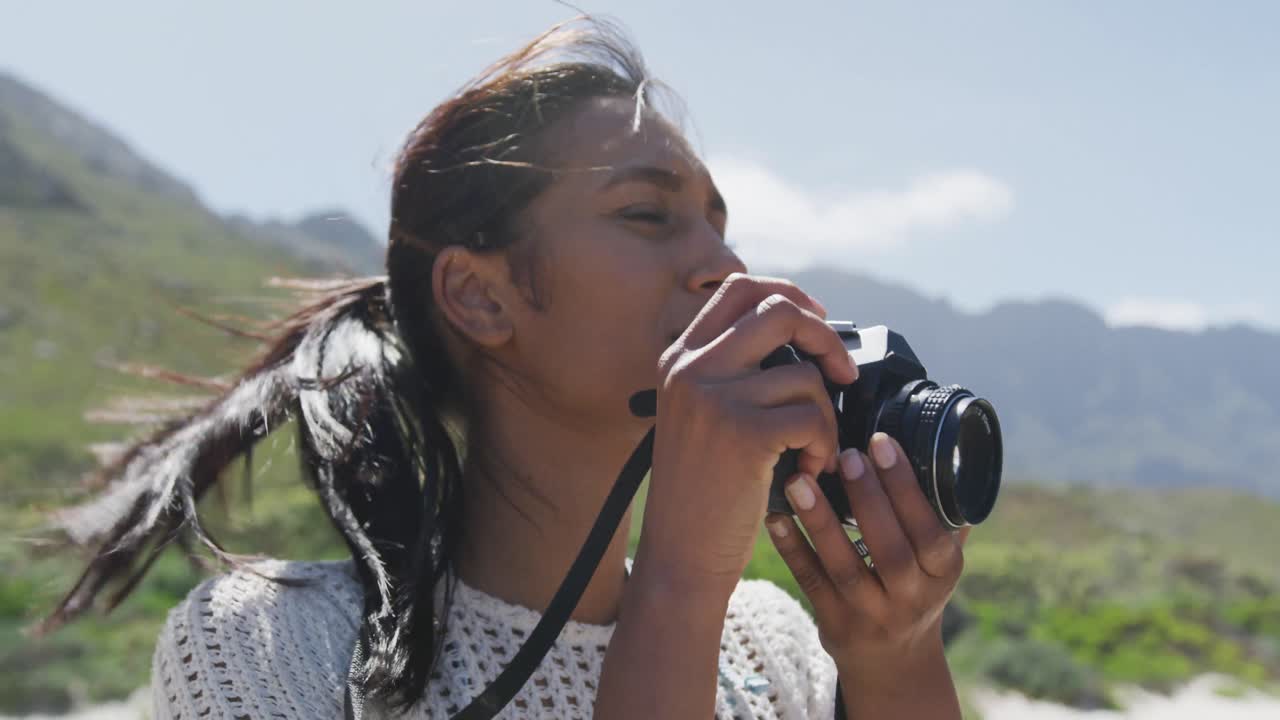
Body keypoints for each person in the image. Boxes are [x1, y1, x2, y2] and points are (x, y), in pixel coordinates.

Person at [44, 17, 969, 719]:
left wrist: (898, 656)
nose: (724, 269)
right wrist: (681, 586)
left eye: (719, 225)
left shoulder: (769, 646)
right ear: (480, 298)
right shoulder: (269, 646)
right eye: (647, 217)